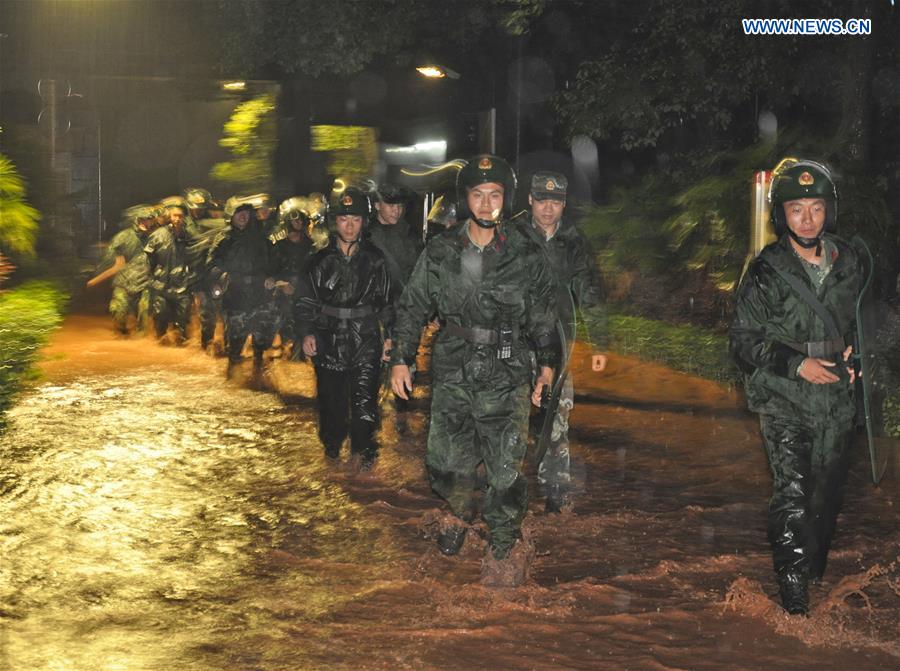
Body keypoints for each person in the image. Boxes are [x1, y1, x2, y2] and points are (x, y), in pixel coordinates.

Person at [390, 155, 558, 573]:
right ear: (466, 200)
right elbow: (413, 306)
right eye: (478, 195)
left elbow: (541, 314)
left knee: (506, 467)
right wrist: (401, 359)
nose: (486, 204)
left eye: (495, 195)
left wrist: (547, 366)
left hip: (507, 368)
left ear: (506, 199)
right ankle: (461, 509)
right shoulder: (442, 250)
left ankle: (502, 549)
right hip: (453, 366)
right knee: (444, 462)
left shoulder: (525, 253)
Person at [730, 158, 863, 616]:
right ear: (780, 215)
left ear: (829, 210)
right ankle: (794, 603)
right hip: (784, 398)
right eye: (796, 210)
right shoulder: (766, 270)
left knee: (824, 500)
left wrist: (860, 356)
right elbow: (743, 343)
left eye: (816, 208)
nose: (807, 219)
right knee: (793, 493)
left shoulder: (850, 262)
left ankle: (811, 574)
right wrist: (795, 363)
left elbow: (873, 319)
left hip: (837, 402)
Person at [515, 171, 609, 513]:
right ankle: (506, 496)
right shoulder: (512, 236)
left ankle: (555, 498)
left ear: (564, 204)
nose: (548, 209)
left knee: (556, 417)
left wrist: (599, 343)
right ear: (530, 200)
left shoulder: (573, 241)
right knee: (510, 418)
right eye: (542, 201)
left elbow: (590, 292)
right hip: (514, 341)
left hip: (559, 342)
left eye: (555, 202)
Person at [297, 186, 393, 469]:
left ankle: (364, 461)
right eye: (344, 219)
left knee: (365, 407)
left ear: (364, 222)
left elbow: (387, 302)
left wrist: (390, 338)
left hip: (365, 338)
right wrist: (306, 333)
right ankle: (332, 458)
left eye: (356, 219)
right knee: (332, 407)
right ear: (334, 222)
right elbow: (304, 302)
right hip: (329, 340)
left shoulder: (375, 260)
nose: (350, 226)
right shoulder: (318, 261)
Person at [208, 196, 280, 380]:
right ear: (231, 216)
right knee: (236, 341)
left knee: (261, 341)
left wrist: (273, 278)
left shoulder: (261, 238)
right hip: (236, 295)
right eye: (239, 213)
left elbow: (274, 262)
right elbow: (212, 263)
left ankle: (259, 376)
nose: (243, 217)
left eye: (246, 213)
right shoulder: (224, 239)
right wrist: (221, 276)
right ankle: (232, 378)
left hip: (260, 295)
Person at [86, 204, 155, 335]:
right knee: (118, 311)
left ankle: (142, 340)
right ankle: (122, 334)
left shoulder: (155, 237)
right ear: (136, 220)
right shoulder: (123, 238)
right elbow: (115, 264)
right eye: (143, 219)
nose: (146, 223)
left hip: (146, 282)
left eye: (149, 220)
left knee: (145, 310)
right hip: (123, 282)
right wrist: (96, 279)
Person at [144, 202, 195, 344]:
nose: (177, 219)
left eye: (180, 216)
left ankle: (181, 351)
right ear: (169, 217)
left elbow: (195, 260)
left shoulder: (189, 236)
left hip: (183, 286)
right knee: (160, 321)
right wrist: (152, 281)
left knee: (182, 324)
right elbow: (148, 261)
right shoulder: (158, 236)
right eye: (175, 215)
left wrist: (192, 281)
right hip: (161, 286)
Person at [271, 197, 315, 358]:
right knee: (285, 328)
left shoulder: (311, 246)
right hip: (284, 294)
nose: (299, 224)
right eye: (295, 221)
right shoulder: (279, 247)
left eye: (301, 220)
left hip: (305, 294)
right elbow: (271, 272)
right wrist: (282, 284)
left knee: (303, 328)